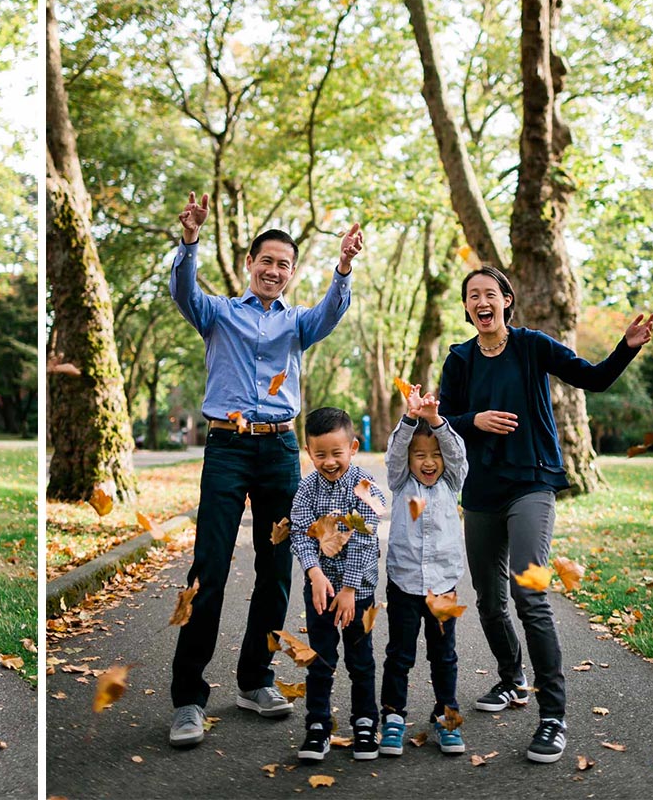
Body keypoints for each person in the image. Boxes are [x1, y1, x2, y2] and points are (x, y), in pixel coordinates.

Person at [164, 192, 363, 747]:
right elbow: (183, 290)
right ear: (250, 265)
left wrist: (342, 268)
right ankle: (187, 700)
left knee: (278, 567)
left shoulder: (299, 323)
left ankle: (255, 679)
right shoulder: (218, 313)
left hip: (278, 452)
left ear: (291, 273)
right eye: (266, 261)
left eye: (284, 265)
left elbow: (330, 313)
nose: (274, 270)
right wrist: (190, 241)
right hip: (226, 449)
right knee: (209, 571)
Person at [438, 265, 653, 763]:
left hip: (533, 483)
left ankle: (552, 715)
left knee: (528, 592)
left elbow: (593, 379)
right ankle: (512, 680)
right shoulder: (461, 359)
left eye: (490, 293)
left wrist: (626, 347)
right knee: (490, 601)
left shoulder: (533, 345)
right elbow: (443, 419)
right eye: (473, 296)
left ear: (506, 301)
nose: (481, 302)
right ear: (468, 308)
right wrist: (475, 420)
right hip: (482, 492)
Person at [289, 408, 385, 763]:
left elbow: (363, 540)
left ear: (353, 447)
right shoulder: (307, 488)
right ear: (309, 451)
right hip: (320, 590)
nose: (329, 462)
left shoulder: (365, 487)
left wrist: (349, 589)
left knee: (361, 660)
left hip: (357, 591)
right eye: (320, 454)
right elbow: (299, 532)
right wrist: (314, 573)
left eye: (336, 453)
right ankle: (317, 725)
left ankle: (364, 723)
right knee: (321, 659)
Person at [378, 384, 469, 757]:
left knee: (443, 655)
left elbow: (457, 454)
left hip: (443, 584)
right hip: (404, 582)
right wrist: (411, 419)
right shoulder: (401, 483)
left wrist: (436, 422)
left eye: (434, 455)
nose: (428, 461)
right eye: (420, 455)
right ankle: (393, 715)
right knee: (400, 653)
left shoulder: (451, 482)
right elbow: (395, 453)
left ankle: (445, 714)